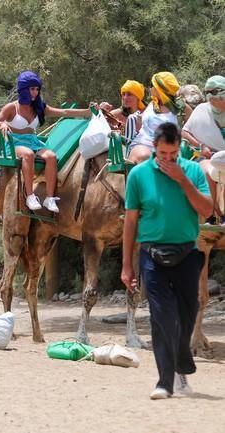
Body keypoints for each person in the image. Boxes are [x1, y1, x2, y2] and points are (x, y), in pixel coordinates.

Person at [121, 122, 212, 400]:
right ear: (154, 149)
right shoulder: (138, 175)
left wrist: (182, 179)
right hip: (152, 255)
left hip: (187, 254)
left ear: (179, 149)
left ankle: (181, 360)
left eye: (173, 154)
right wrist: (127, 265)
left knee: (186, 315)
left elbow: (207, 211)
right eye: (163, 154)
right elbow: (130, 222)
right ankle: (164, 381)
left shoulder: (193, 171)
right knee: (162, 317)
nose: (168, 159)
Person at [0, 70, 98, 213]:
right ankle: (30, 196)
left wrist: (88, 111)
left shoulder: (39, 107)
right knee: (28, 155)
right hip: (14, 142)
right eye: (32, 89)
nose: (35, 92)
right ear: (24, 89)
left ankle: (49, 198)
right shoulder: (12, 107)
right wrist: (1, 124)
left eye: (37, 89)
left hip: (32, 141)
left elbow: (64, 112)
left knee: (51, 156)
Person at [182, 75, 225, 224]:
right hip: (206, 156)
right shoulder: (202, 109)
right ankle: (212, 215)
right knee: (207, 171)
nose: (210, 96)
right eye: (208, 92)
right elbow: (185, 132)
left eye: (215, 91)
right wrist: (202, 146)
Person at [128, 72, 194, 164]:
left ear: (160, 88)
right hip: (143, 145)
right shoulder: (152, 104)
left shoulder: (182, 107)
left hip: (170, 149)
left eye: (152, 85)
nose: (149, 88)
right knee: (145, 157)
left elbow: (194, 130)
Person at [109, 80, 146, 144]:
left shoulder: (147, 115)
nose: (125, 97)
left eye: (129, 94)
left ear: (138, 97)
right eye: (123, 94)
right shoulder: (114, 115)